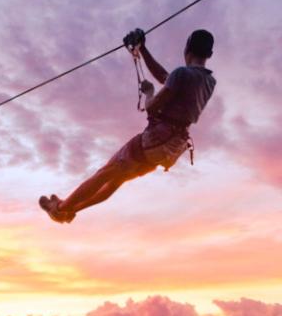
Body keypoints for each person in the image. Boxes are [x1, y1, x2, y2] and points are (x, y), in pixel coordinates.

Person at [39, 28, 216, 224]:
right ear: (209, 54)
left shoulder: (182, 73)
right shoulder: (209, 81)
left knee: (107, 172)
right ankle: (72, 210)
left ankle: (60, 209)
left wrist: (149, 92)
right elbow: (166, 77)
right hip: (171, 149)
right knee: (117, 179)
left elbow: (152, 108)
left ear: (186, 49)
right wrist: (142, 49)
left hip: (155, 141)